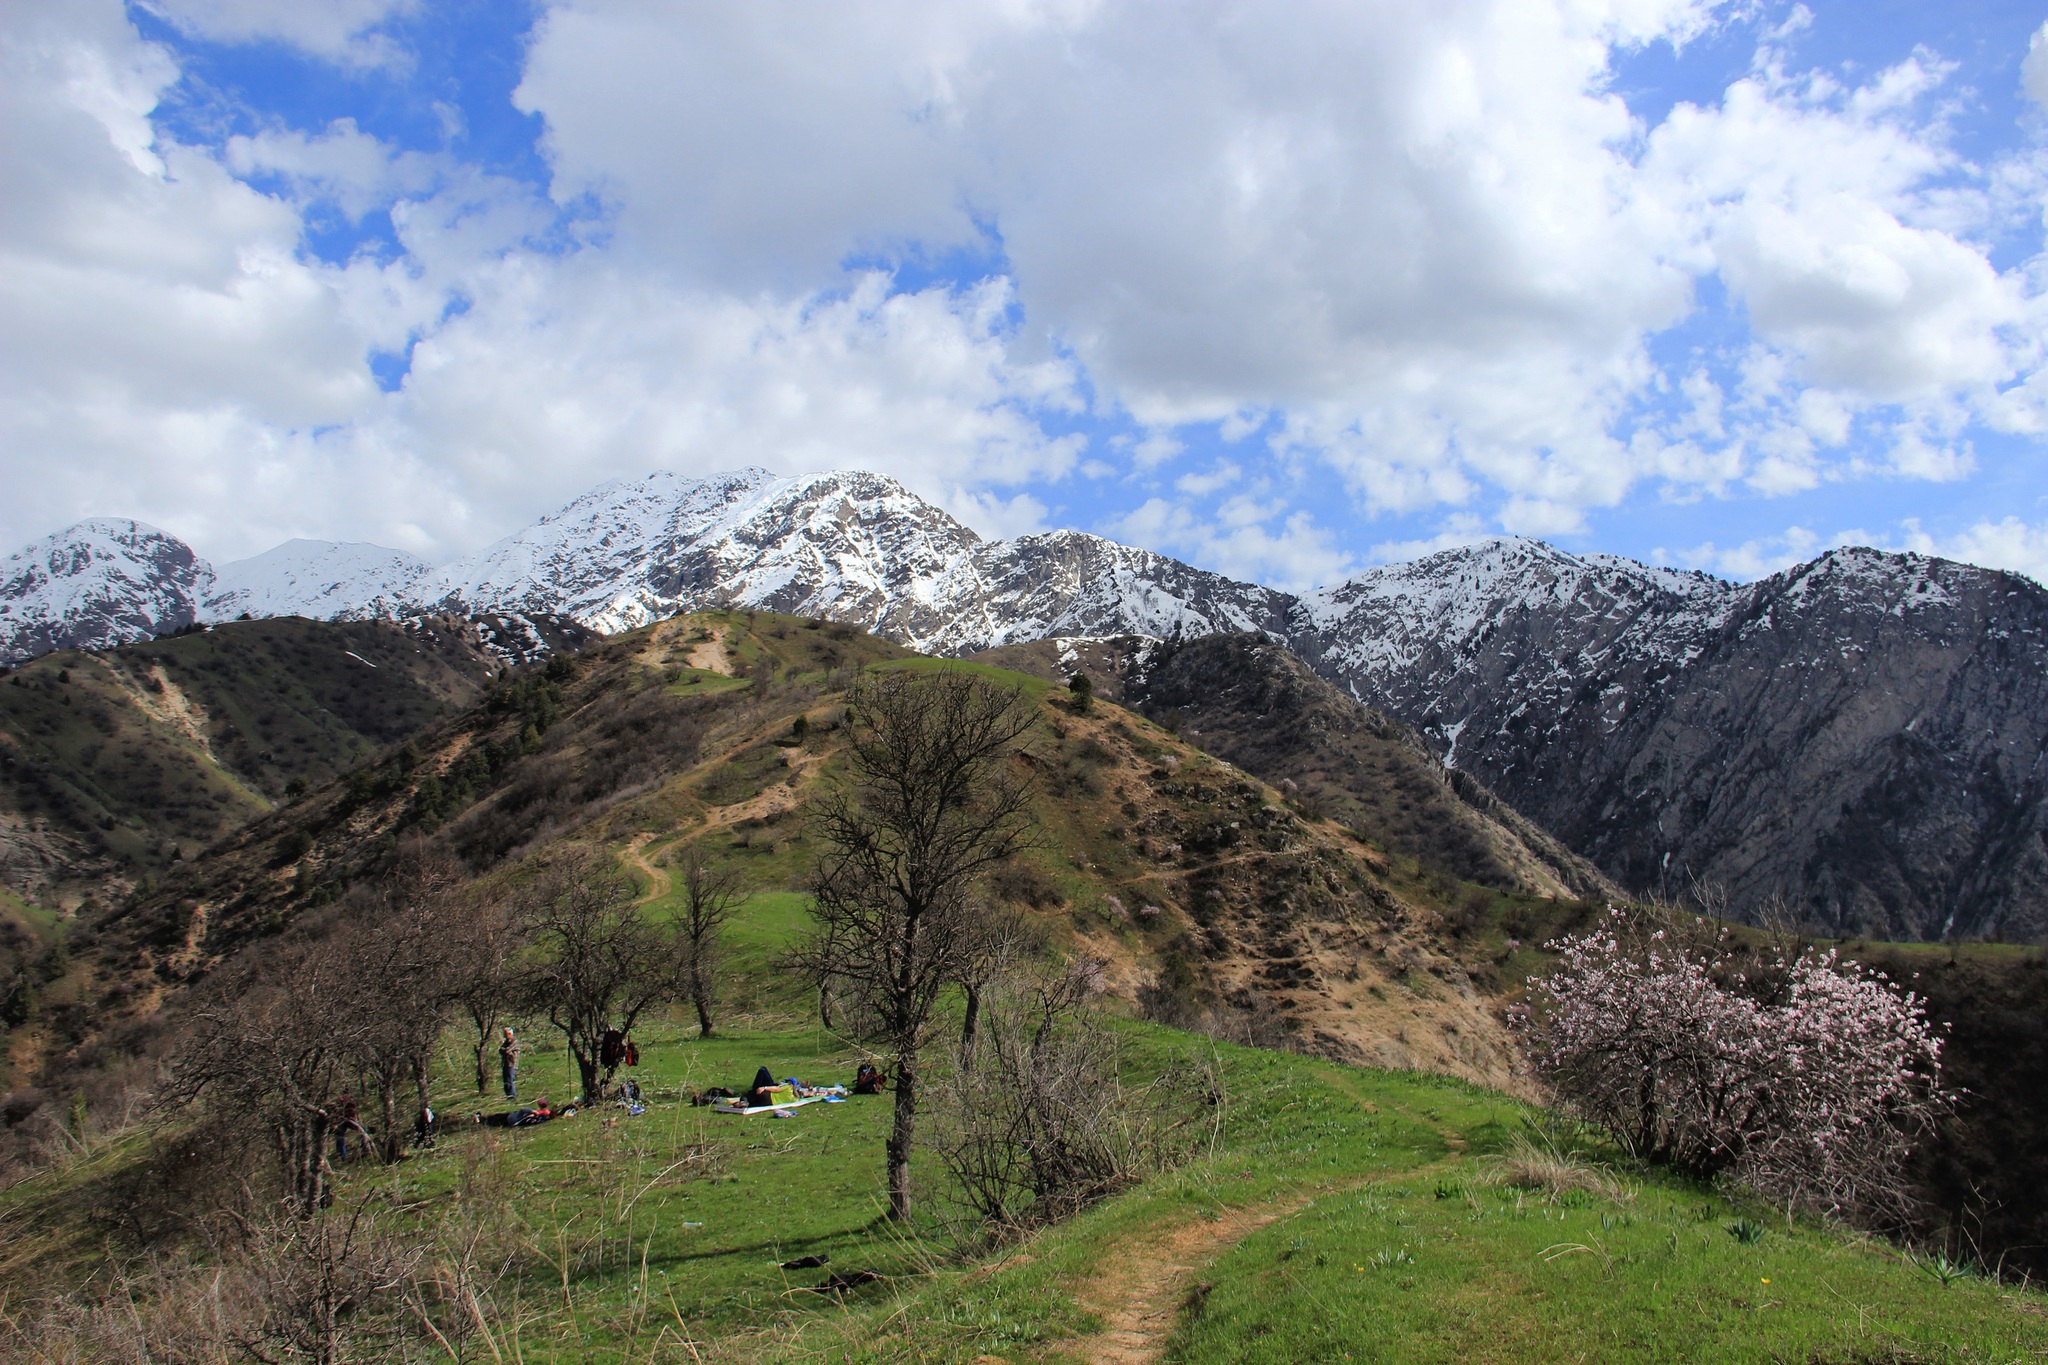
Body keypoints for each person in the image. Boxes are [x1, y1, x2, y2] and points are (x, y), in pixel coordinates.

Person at [334, 1093, 362, 1160]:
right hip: (342, 1120)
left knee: (362, 1131)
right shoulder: (341, 1101)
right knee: (340, 1137)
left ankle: (365, 1147)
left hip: (348, 1120)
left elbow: (355, 1114)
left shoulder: (351, 1102)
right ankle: (342, 1155)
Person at [500, 1026, 520, 1101]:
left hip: (511, 1064)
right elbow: (501, 1050)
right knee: (506, 1081)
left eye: (506, 1034)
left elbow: (506, 1050)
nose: (505, 1036)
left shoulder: (514, 1041)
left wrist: (507, 1051)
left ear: (510, 1034)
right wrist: (506, 1051)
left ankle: (512, 1095)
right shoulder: (506, 1042)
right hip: (505, 1063)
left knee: (510, 1080)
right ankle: (508, 1095)